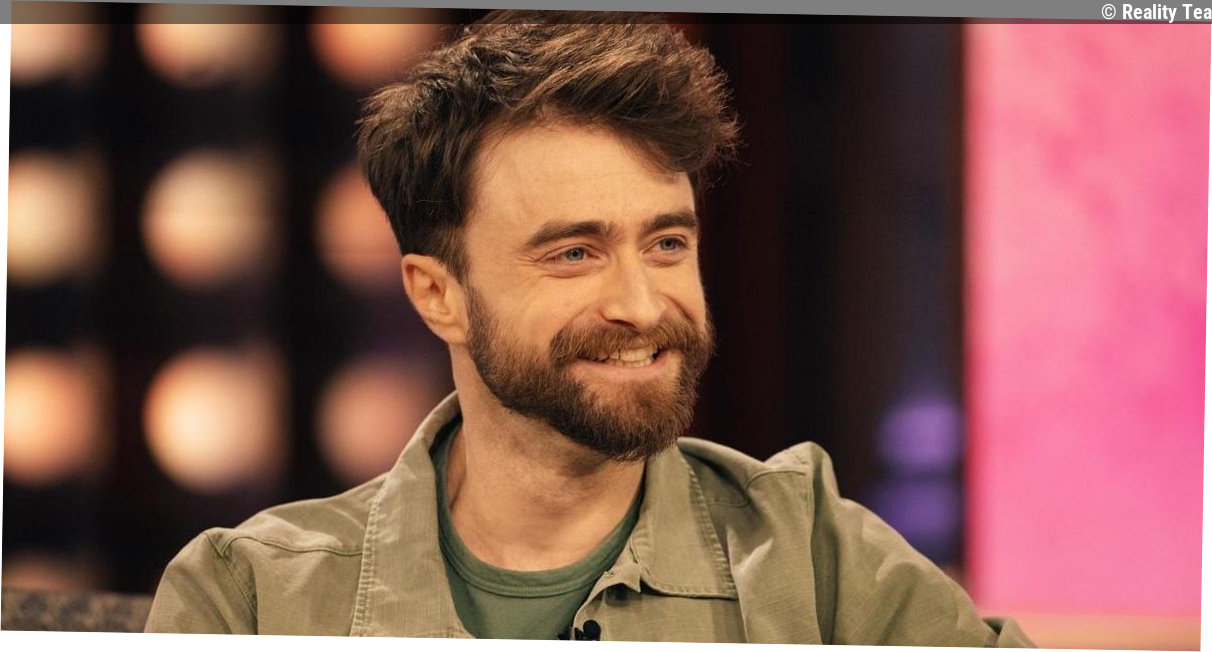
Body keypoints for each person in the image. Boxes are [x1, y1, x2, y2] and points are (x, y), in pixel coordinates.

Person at [144, 10, 1035, 644]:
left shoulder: (814, 561)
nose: (642, 306)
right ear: (437, 294)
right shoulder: (250, 594)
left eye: (667, 243)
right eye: (575, 253)